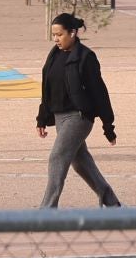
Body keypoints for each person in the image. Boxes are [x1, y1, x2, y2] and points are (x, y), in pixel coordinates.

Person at [36, 13, 122, 209]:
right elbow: (46, 89)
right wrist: (42, 118)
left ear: (73, 33)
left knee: (57, 156)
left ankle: (47, 211)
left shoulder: (86, 57)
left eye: (59, 34)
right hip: (59, 117)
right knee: (80, 162)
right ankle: (111, 202)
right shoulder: (54, 55)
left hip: (79, 117)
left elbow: (99, 92)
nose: (56, 39)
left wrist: (108, 126)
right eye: (54, 35)